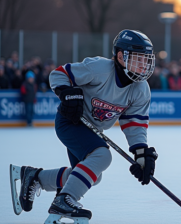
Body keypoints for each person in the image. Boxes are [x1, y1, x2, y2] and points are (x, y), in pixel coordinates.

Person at [10, 30, 158, 223]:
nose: (144, 64)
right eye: (139, 58)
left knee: (92, 176)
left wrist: (140, 153)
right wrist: (67, 93)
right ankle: (65, 199)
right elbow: (59, 75)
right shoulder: (99, 68)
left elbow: (134, 123)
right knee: (102, 156)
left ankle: (34, 177)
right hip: (70, 121)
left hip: (91, 129)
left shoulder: (141, 89)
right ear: (121, 56)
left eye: (146, 59)